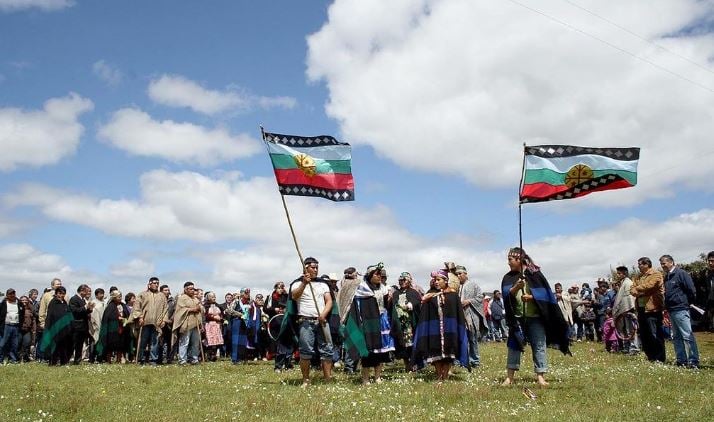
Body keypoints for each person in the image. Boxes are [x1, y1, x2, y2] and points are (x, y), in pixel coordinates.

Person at [501, 247, 570, 387]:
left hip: (535, 318)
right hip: (517, 318)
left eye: (510, 259)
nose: (508, 263)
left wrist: (532, 297)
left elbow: (546, 294)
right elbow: (506, 295)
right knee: (514, 347)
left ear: (519, 259)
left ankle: (540, 376)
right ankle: (509, 378)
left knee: (539, 345)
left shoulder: (535, 274)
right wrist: (515, 287)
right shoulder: (508, 277)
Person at [412, 269, 469, 383]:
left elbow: (457, 314)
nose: (436, 282)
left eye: (439, 280)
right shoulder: (430, 296)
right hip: (435, 330)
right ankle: (439, 376)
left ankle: (445, 376)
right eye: (435, 280)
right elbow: (425, 314)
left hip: (449, 329)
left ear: (446, 281)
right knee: (435, 352)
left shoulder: (453, 296)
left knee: (449, 353)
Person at [342, 263, 394, 384]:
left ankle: (377, 376)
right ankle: (365, 378)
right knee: (367, 351)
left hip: (382, 322)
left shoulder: (384, 288)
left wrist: (390, 299)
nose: (379, 276)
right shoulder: (361, 290)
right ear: (370, 275)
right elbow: (357, 307)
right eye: (377, 274)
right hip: (368, 323)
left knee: (381, 351)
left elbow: (387, 305)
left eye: (380, 274)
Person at [288, 257, 334, 387]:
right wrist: (304, 283)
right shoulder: (297, 283)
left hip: (322, 320)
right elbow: (294, 296)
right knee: (306, 351)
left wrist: (324, 314)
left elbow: (329, 301)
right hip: (306, 321)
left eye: (317, 267)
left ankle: (327, 379)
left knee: (327, 350)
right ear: (305, 268)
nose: (315, 269)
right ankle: (306, 380)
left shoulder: (323, 284)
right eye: (312, 267)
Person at [660, 255, 699, 368]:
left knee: (687, 335)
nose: (663, 266)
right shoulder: (667, 277)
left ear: (671, 262)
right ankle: (681, 360)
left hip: (681, 309)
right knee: (676, 337)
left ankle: (693, 361)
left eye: (664, 263)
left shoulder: (681, 273)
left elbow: (691, 290)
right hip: (671, 310)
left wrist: (686, 303)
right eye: (661, 264)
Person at [630, 257, 666, 363]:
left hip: (653, 309)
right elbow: (631, 289)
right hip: (641, 309)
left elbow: (650, 285)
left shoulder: (656, 274)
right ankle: (650, 357)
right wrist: (638, 290)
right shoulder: (637, 276)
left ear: (647, 264)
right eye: (638, 264)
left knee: (655, 334)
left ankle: (659, 358)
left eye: (640, 264)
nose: (638, 266)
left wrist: (638, 289)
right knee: (645, 335)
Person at [132, 277, 168, 365]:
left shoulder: (162, 296)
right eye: (154, 283)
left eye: (157, 283)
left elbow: (165, 309)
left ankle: (153, 360)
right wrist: (140, 317)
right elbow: (136, 307)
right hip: (145, 321)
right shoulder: (142, 295)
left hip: (156, 322)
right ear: (149, 284)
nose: (156, 285)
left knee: (154, 342)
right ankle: (141, 358)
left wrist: (164, 320)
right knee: (142, 341)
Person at [390, 271, 422, 371]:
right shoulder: (395, 294)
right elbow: (392, 306)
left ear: (409, 281)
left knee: (412, 344)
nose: (402, 282)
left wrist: (411, 305)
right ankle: (406, 364)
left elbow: (417, 302)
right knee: (401, 344)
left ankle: (414, 364)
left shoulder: (414, 292)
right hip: (399, 324)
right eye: (400, 280)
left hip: (411, 323)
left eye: (404, 280)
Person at [456, 265, 485, 368]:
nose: (458, 276)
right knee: (461, 338)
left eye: (460, 273)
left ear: (465, 274)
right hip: (460, 315)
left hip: (471, 315)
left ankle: (475, 360)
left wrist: (469, 301)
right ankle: (461, 360)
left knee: (472, 339)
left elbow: (480, 297)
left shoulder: (473, 285)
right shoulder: (456, 287)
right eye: (457, 274)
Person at [172, 281, 204, 365]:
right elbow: (179, 310)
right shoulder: (182, 298)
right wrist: (191, 309)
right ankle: (182, 360)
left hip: (196, 323)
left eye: (193, 289)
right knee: (184, 342)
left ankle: (194, 359)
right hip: (186, 324)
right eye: (190, 289)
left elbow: (201, 309)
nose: (192, 290)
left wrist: (200, 308)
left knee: (195, 343)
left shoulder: (195, 298)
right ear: (185, 289)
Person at [41, 286, 73, 365]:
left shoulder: (65, 303)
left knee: (63, 346)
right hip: (54, 328)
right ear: (56, 294)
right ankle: (52, 362)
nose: (61, 295)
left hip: (64, 329)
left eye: (63, 294)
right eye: (60, 293)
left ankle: (63, 362)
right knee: (54, 346)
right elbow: (51, 315)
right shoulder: (53, 302)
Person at [97, 290, 128, 364]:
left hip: (122, 328)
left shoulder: (123, 305)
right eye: (118, 297)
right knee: (110, 345)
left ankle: (119, 359)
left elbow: (127, 314)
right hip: (112, 329)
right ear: (114, 297)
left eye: (121, 296)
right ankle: (109, 360)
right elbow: (108, 317)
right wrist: (117, 318)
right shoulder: (110, 306)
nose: (120, 298)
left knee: (121, 345)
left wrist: (125, 319)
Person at [612, 266, 639, 354]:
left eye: (619, 274)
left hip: (628, 310)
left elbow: (629, 298)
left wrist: (628, 310)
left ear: (624, 273)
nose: (618, 275)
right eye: (617, 274)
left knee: (630, 329)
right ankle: (627, 347)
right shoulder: (622, 283)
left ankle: (634, 348)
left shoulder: (628, 283)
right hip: (623, 311)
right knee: (624, 330)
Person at [68, 284, 94, 364]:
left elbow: (83, 312)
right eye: (86, 291)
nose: (88, 293)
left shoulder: (82, 300)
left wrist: (89, 309)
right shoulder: (74, 299)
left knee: (80, 344)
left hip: (83, 326)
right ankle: (66, 359)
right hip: (76, 325)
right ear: (82, 291)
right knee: (73, 344)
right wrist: (85, 307)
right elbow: (75, 311)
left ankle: (77, 360)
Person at [0, 288, 25, 364]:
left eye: (13, 293)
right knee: (3, 344)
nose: (12, 295)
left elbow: (22, 314)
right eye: (10, 294)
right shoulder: (3, 303)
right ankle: (1, 359)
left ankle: (13, 359)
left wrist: (20, 324)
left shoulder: (19, 303)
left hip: (16, 326)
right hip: (6, 326)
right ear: (7, 295)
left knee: (15, 344)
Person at [203, 292, 224, 361]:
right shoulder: (205, 306)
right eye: (212, 297)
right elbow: (205, 316)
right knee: (210, 341)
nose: (214, 298)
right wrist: (214, 317)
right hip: (209, 325)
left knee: (217, 341)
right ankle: (209, 355)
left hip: (217, 325)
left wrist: (221, 319)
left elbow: (222, 314)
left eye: (214, 296)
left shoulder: (218, 306)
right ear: (208, 298)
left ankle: (214, 355)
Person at [157, 284, 175, 364]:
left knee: (170, 342)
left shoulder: (172, 302)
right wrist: (161, 320)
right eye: (165, 290)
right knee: (160, 342)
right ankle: (159, 358)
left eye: (168, 290)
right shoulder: (157, 301)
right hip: (160, 324)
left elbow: (175, 312)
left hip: (170, 325)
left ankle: (169, 359)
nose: (167, 292)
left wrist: (170, 320)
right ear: (161, 291)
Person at [88, 288, 106, 363]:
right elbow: (91, 314)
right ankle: (91, 358)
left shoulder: (104, 303)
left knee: (101, 342)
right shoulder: (93, 303)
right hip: (94, 325)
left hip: (102, 324)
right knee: (93, 341)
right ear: (96, 295)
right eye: (100, 293)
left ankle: (100, 357)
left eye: (103, 293)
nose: (102, 295)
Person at [19, 295, 36, 362]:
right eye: (22, 300)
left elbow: (33, 320)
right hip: (19, 329)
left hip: (28, 330)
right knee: (18, 344)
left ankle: (25, 358)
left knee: (26, 343)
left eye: (25, 300)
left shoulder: (30, 308)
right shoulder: (18, 308)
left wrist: (34, 330)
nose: (24, 301)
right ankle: (18, 358)